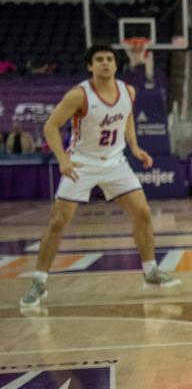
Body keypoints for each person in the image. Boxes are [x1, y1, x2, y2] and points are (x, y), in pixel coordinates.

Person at [19, 44, 180, 308]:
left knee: (143, 212)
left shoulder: (128, 91)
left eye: (109, 59)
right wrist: (62, 158)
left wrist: (135, 147)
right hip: (81, 163)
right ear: (90, 65)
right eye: (99, 59)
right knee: (58, 221)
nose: (105, 63)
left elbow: (127, 117)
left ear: (116, 64)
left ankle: (150, 271)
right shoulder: (79, 95)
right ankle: (39, 281)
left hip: (115, 163)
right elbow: (50, 126)